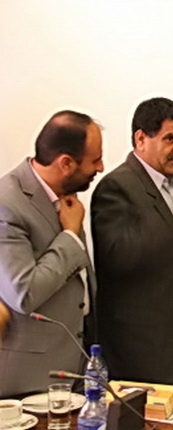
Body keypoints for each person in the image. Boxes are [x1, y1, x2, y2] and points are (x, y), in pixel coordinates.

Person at [91, 98, 173, 389]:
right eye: (170, 139)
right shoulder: (117, 186)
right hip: (141, 349)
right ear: (140, 139)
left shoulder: (171, 185)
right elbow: (117, 257)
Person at [0, 111, 104, 397]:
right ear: (66, 163)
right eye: (95, 160)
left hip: (75, 369)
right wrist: (70, 235)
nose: (101, 167)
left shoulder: (67, 193)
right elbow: (23, 293)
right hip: (28, 381)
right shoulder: (7, 204)